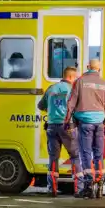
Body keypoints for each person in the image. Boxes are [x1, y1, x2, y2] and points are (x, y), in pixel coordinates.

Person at [65, 58, 105, 198]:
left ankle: (88, 186)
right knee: (99, 154)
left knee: (86, 153)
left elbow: (71, 103)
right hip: (99, 123)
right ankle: (100, 184)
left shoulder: (79, 82)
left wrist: (67, 121)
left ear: (88, 67)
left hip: (84, 123)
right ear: (99, 69)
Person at [37, 66, 79, 196]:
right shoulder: (72, 90)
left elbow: (41, 105)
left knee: (53, 158)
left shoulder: (51, 88)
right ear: (71, 77)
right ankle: (79, 188)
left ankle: (52, 189)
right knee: (75, 156)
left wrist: (52, 109)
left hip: (52, 126)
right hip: (67, 126)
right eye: (75, 78)